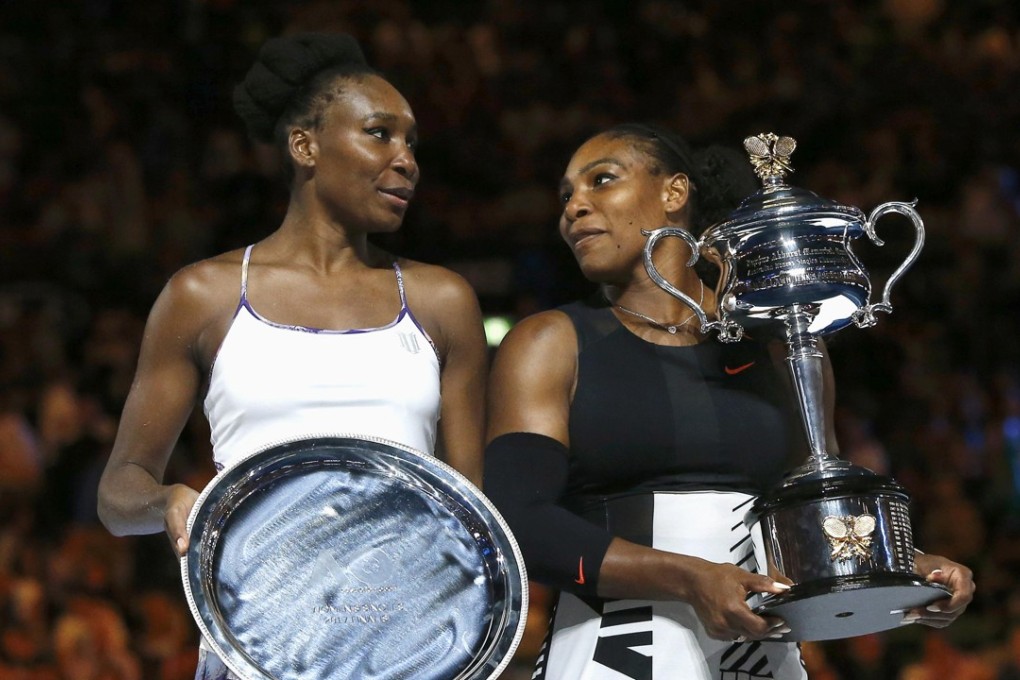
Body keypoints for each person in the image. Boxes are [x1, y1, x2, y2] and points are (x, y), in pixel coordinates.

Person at [483, 122, 976, 679]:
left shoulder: (780, 344)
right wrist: (690, 578)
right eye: (566, 195)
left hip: (763, 652)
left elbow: (814, 511)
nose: (575, 207)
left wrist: (901, 566)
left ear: (674, 193)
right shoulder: (550, 342)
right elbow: (518, 522)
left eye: (602, 180)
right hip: (617, 651)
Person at [96, 32, 488, 679]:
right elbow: (118, 492)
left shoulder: (443, 301)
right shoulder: (203, 295)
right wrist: (166, 500)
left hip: (399, 644)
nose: (407, 160)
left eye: (412, 142)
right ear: (305, 145)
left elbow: (468, 504)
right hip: (254, 639)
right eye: (379, 134)